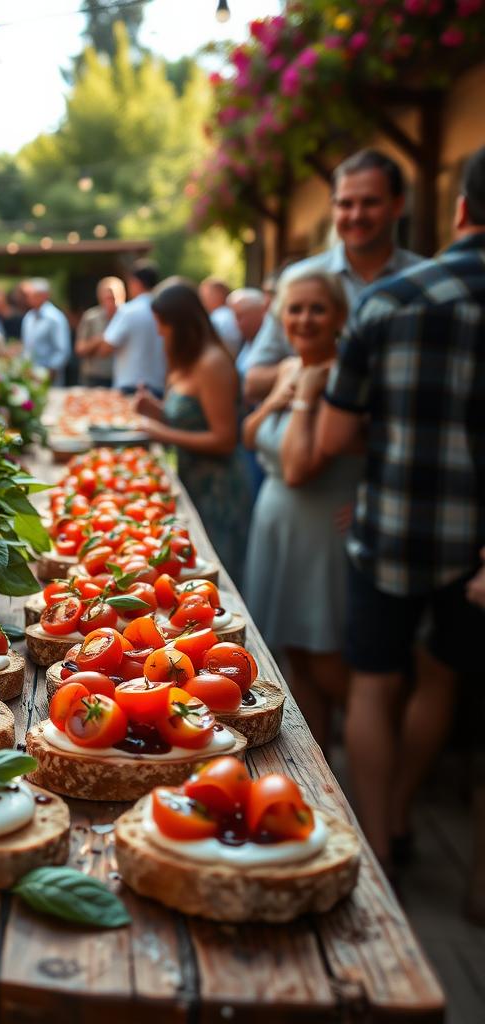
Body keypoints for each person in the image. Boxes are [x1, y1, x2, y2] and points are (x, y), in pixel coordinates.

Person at [315, 145, 485, 875]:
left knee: (375, 682)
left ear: (460, 208)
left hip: (387, 522)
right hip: (474, 544)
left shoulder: (389, 298)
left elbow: (333, 434)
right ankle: (415, 813)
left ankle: (381, 843)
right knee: (442, 678)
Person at [240, 270, 361, 747]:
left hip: (322, 527)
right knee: (292, 652)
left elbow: (296, 468)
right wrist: (277, 399)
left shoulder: (342, 378)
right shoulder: (288, 368)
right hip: (275, 519)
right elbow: (249, 436)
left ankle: (370, 737)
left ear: (340, 318)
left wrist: (307, 397)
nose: (304, 319)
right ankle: (320, 754)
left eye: (317, 309)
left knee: (326, 655)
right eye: (295, 309)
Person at [244, 149, 423, 407]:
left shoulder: (424, 280)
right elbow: (253, 381)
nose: (356, 215)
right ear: (333, 208)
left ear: (397, 205)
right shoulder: (300, 281)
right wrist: (308, 369)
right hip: (315, 440)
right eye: (345, 204)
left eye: (370, 202)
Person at [134, 279, 251, 582]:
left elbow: (224, 440)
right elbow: (189, 419)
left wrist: (161, 433)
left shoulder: (213, 364)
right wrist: (155, 410)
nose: (160, 333)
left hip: (218, 490)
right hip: (193, 481)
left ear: (182, 325)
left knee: (215, 577)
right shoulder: (187, 362)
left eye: (163, 325)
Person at [228, 286, 273, 497]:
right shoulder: (248, 343)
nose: (237, 324)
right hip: (249, 429)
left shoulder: (271, 345)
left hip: (264, 432)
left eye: (241, 317)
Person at [98, 260, 165, 396]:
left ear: (136, 282)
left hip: (130, 386)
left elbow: (105, 349)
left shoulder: (128, 311)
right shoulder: (165, 310)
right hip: (160, 385)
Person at [73, 276, 125, 387]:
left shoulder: (127, 317)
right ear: (100, 297)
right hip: (94, 377)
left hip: (121, 377)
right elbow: (79, 349)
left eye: (115, 297)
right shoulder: (91, 317)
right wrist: (99, 340)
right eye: (108, 298)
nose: (113, 302)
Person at [20, 278, 71, 380]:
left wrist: (49, 372)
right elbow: (26, 347)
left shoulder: (55, 318)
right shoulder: (29, 317)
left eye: (33, 295)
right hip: (29, 375)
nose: (29, 298)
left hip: (49, 377)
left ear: (44, 296)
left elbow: (62, 350)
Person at [200, 276, 243, 356]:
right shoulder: (227, 315)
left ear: (219, 294)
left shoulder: (221, 318)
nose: (202, 300)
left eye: (205, 294)